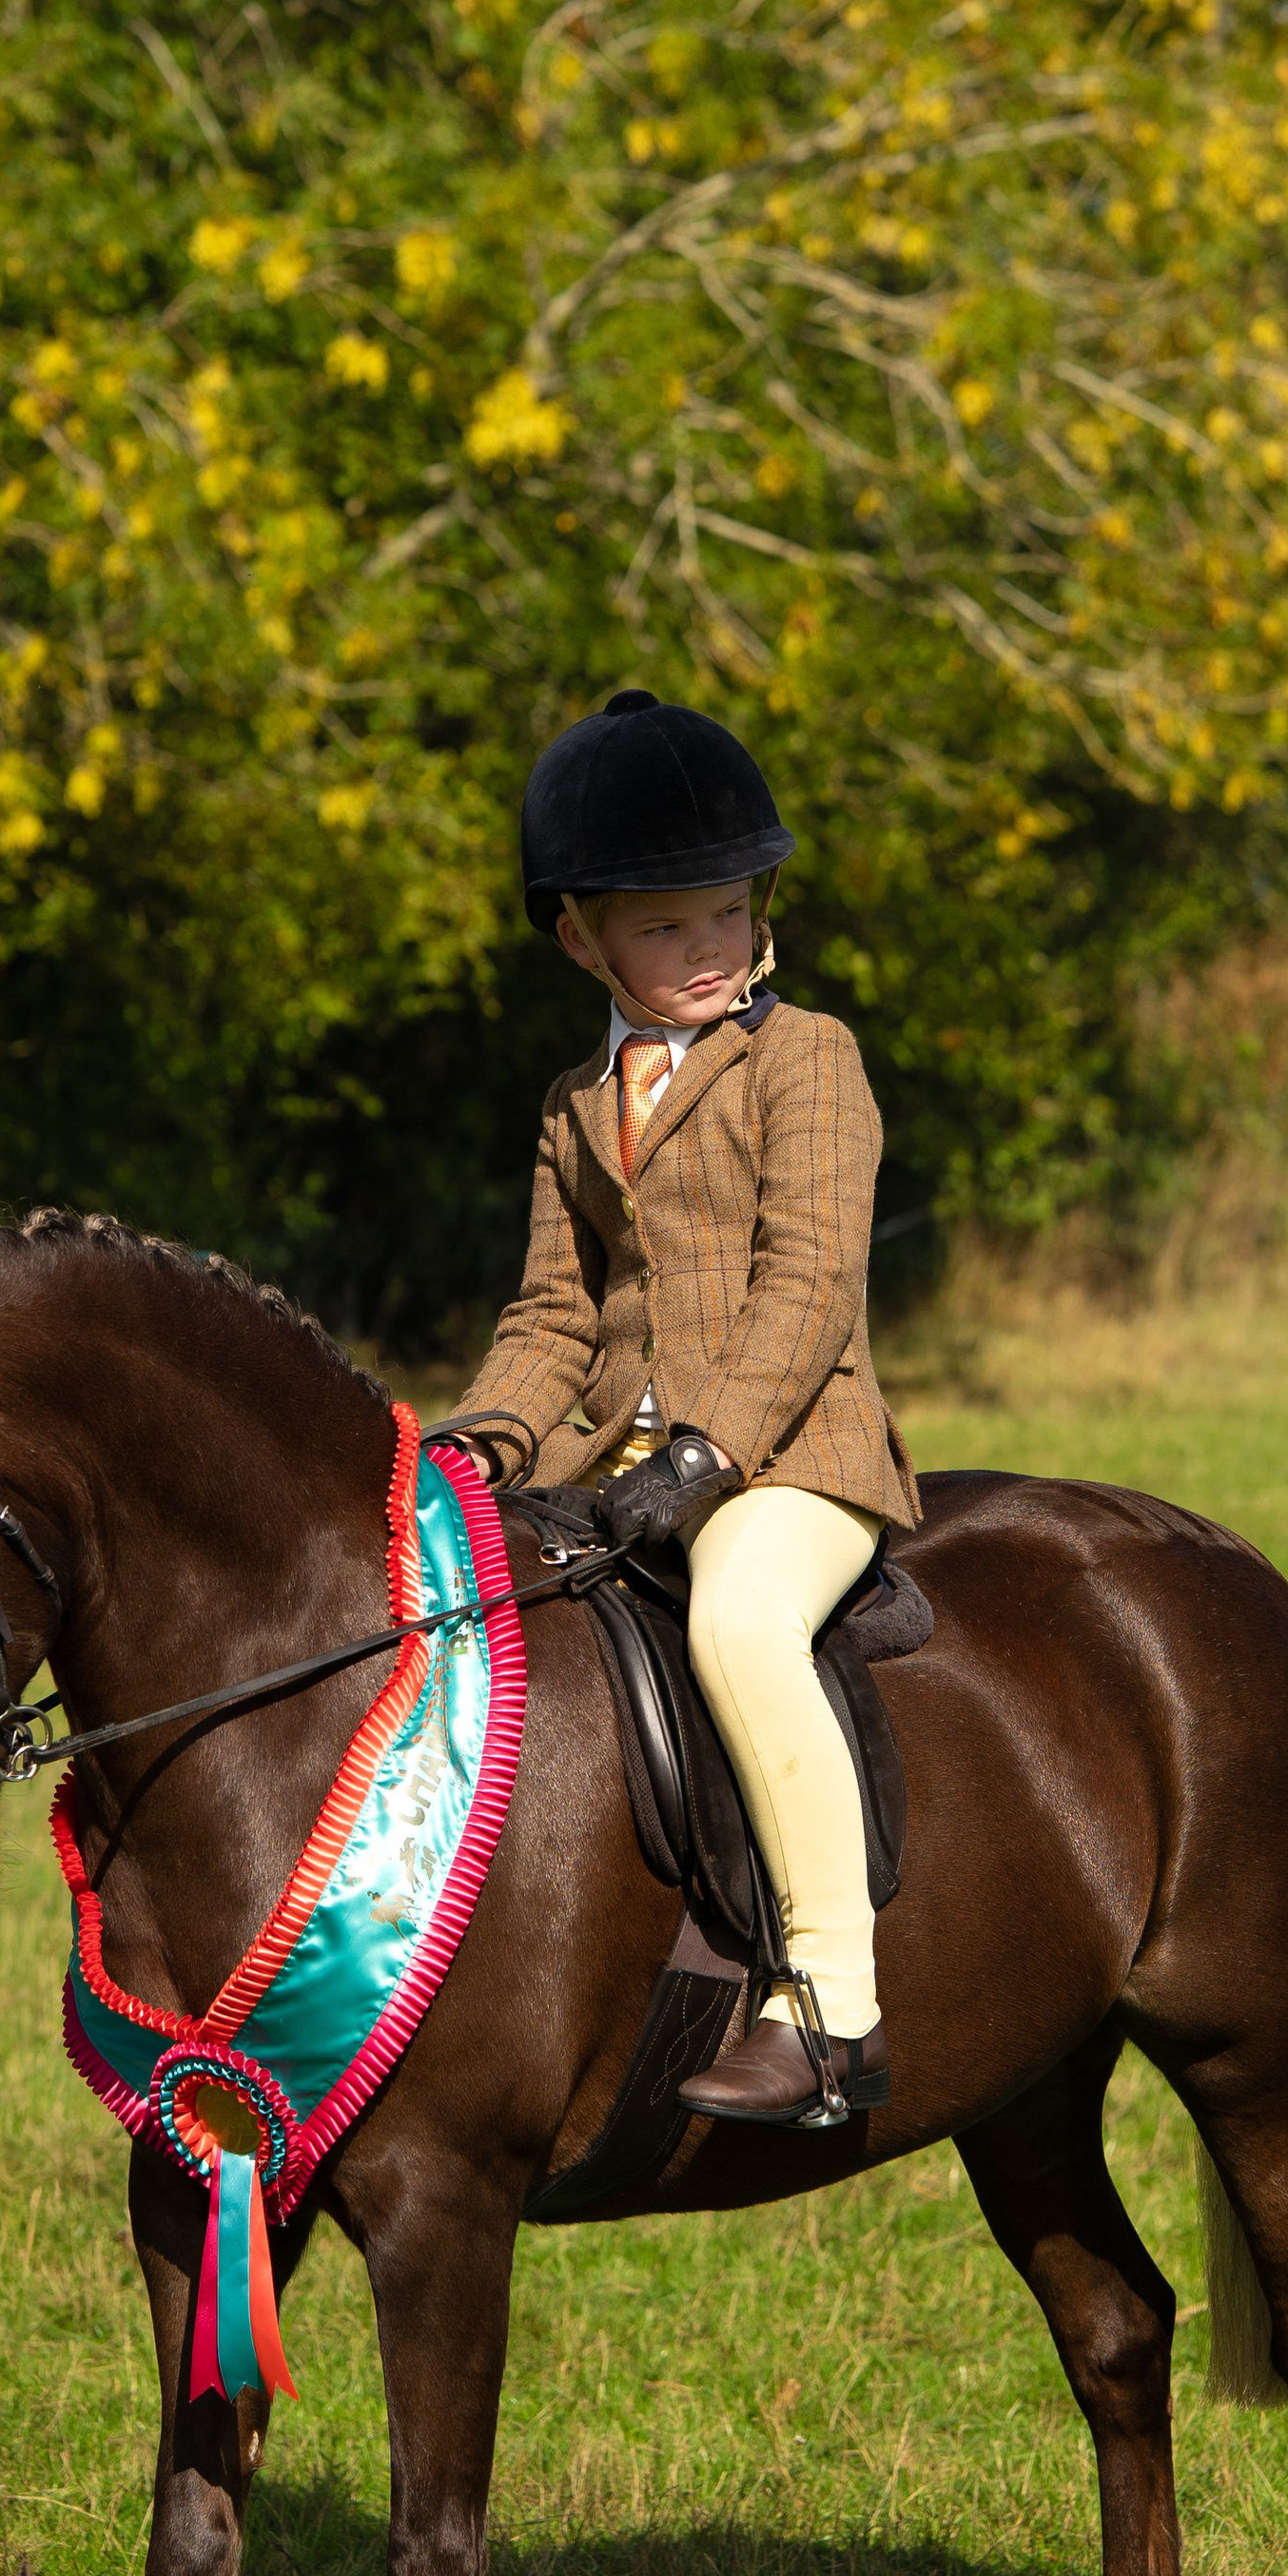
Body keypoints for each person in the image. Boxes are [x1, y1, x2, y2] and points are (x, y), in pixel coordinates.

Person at [446, 687, 921, 2126]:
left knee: (736, 1615)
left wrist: (709, 1447)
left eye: (728, 911)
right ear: (579, 937)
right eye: (665, 927)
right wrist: (474, 1446)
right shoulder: (571, 1102)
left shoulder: (809, 1059)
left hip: (791, 1458)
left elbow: (808, 1286)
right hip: (614, 1468)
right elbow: (552, 1316)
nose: (710, 946)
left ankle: (832, 2001)